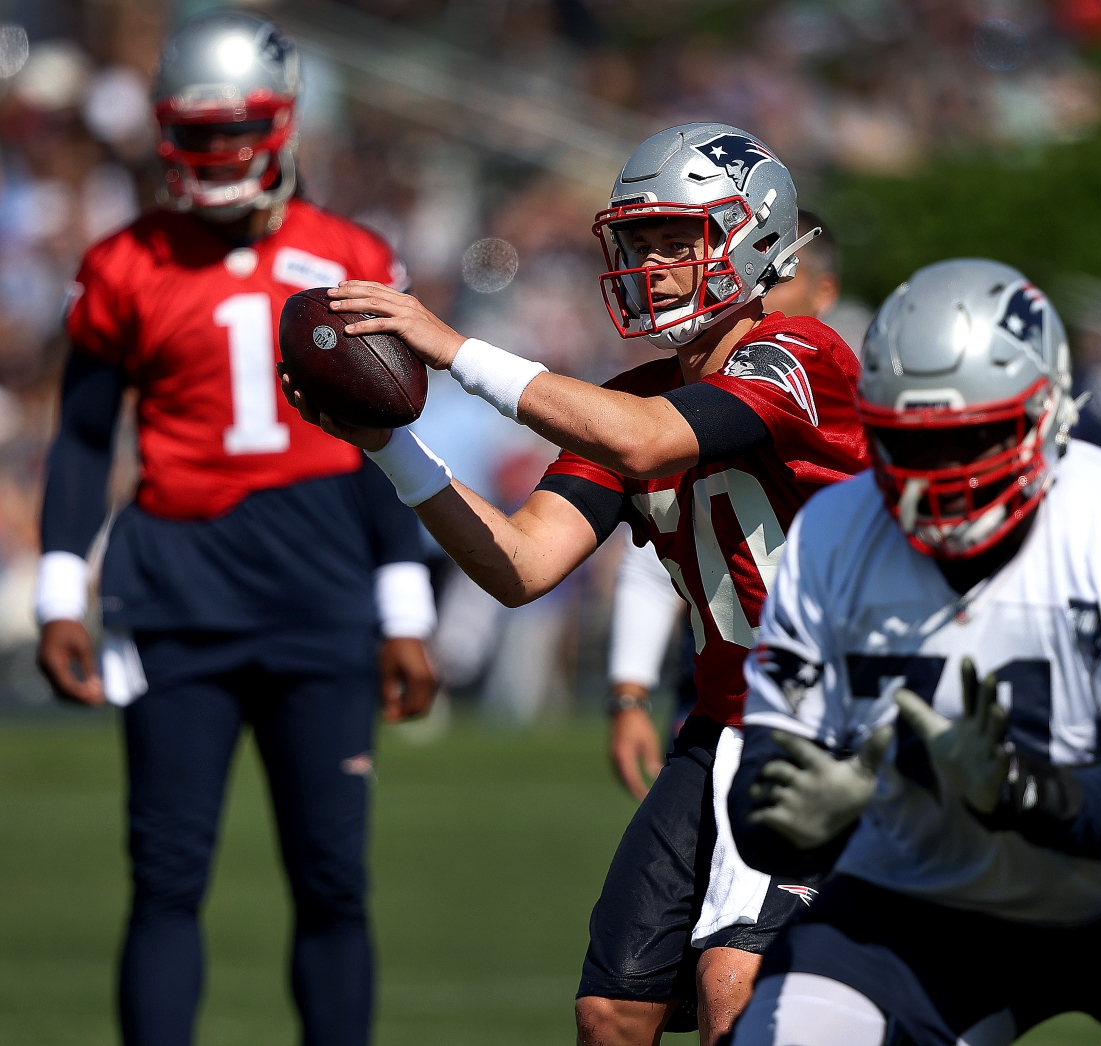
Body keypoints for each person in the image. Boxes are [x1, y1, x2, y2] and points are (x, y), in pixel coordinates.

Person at [279, 123, 869, 1045]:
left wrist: (452, 349)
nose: (656, 264)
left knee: (733, 996)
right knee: (612, 1014)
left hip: (830, 725)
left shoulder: (803, 357)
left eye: (682, 239)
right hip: (717, 727)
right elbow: (521, 566)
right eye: (642, 242)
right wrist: (390, 445)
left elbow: (648, 441)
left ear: (754, 237)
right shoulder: (630, 396)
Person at [725, 258, 1101, 1046]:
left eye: (969, 440)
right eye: (906, 445)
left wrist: (1022, 791)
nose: (935, 481)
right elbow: (763, 803)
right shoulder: (833, 533)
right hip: (927, 888)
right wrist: (800, 823)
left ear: (1048, 413)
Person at [34, 13, 437, 1046]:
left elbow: (389, 446)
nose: (214, 154)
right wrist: (56, 588)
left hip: (321, 588)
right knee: (166, 878)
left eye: (235, 130)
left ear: (285, 121)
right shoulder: (125, 262)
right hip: (178, 589)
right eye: (194, 132)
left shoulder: (350, 253)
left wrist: (404, 604)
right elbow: (83, 440)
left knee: (334, 878)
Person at [606, 210, 850, 801]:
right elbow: (664, 550)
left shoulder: (819, 365)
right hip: (721, 689)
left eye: (776, 279)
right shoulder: (665, 392)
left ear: (823, 290)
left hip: (831, 703)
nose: (754, 296)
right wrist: (630, 686)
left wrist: (464, 355)